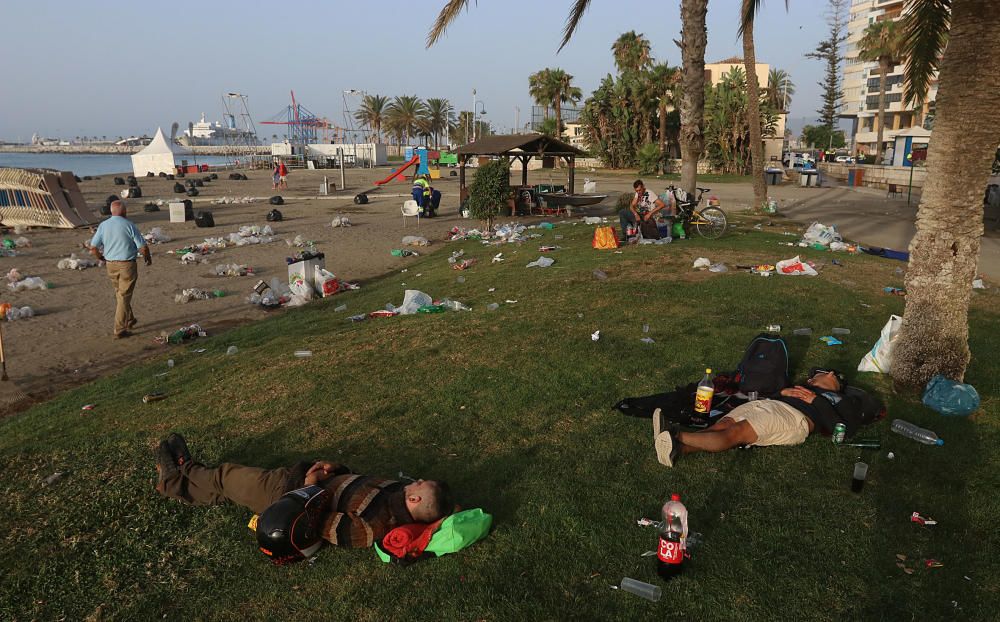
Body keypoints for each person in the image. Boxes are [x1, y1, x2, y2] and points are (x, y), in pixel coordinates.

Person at [154, 433, 455, 549]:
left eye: (418, 484)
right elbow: (354, 480)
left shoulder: (372, 525)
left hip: (283, 496)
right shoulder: (394, 491)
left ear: (414, 499)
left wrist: (310, 486)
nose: (413, 480)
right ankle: (190, 479)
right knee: (228, 489)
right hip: (298, 478)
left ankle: (178, 474)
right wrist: (334, 468)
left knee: (226, 477)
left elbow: (318, 525)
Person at [653, 368, 881, 467]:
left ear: (832, 378)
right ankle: (677, 449)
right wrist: (781, 392)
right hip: (769, 404)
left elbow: (844, 429)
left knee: (735, 434)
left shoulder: (841, 400)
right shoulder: (801, 387)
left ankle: (674, 433)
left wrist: (816, 401)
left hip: (793, 418)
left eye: (817, 376)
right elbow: (771, 395)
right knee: (722, 425)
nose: (811, 379)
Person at [88, 200, 151, 339]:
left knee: (120, 293)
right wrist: (147, 257)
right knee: (123, 295)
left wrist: (101, 258)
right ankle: (119, 329)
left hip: (111, 264)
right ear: (124, 211)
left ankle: (129, 319)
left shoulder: (103, 225)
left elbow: (93, 248)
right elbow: (143, 247)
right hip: (126, 264)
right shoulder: (129, 225)